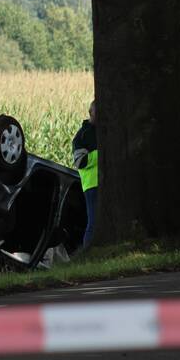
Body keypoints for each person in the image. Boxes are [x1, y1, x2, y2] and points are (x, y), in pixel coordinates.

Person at [72, 100, 98, 251]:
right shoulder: (82, 136)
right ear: (90, 113)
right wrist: (102, 155)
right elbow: (80, 161)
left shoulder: (107, 131)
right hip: (92, 185)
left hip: (106, 184)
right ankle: (87, 252)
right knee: (93, 223)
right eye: (96, 112)